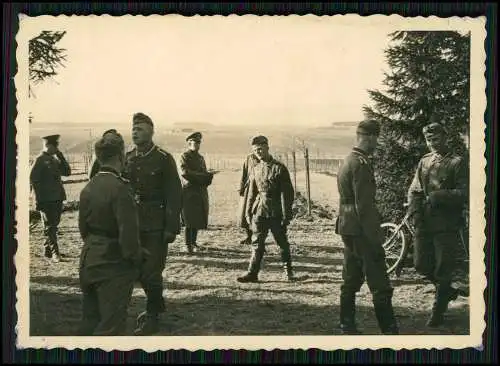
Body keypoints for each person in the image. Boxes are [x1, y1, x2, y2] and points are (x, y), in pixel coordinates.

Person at [335, 120, 399, 335]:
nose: (376, 143)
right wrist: (375, 236)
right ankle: (390, 332)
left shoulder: (347, 160)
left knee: (351, 279)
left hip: (348, 227)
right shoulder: (361, 164)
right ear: (369, 137)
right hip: (363, 230)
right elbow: (364, 205)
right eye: (376, 138)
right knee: (380, 284)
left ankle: (347, 325)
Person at [122, 112, 183, 336]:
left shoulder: (163, 158)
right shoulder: (127, 158)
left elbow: (174, 194)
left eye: (140, 128)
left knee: (152, 271)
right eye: (134, 128)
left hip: (156, 224)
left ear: (151, 131)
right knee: (134, 270)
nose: (135, 132)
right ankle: (155, 306)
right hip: (132, 224)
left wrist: (170, 227)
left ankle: (153, 316)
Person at [78, 131, 143, 336]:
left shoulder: (89, 187)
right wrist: (136, 261)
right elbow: (129, 235)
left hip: (89, 260)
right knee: (111, 328)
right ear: (120, 156)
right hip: (113, 265)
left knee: (90, 322)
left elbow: (83, 229)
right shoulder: (120, 189)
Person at [407, 122, 469, 327]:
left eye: (436, 138)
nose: (432, 143)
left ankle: (438, 311)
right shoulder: (424, 162)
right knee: (420, 264)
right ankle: (448, 291)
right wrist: (415, 213)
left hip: (446, 224)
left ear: (445, 137)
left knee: (443, 268)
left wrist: (438, 196)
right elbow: (414, 190)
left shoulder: (457, 162)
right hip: (424, 222)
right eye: (428, 139)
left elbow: (464, 193)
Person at [237, 135, 295, 283]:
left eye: (261, 149)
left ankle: (288, 272)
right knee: (257, 243)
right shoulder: (255, 169)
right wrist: (248, 213)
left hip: (276, 212)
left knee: (281, 242)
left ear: (267, 147)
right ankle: (252, 273)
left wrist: (286, 215)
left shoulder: (279, 168)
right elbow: (252, 192)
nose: (259, 152)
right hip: (260, 211)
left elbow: (287, 194)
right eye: (256, 150)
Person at [29, 134, 71, 262]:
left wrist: (60, 155)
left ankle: (47, 250)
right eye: (55, 145)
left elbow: (67, 172)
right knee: (50, 227)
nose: (57, 148)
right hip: (46, 199)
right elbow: (33, 180)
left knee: (53, 225)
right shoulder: (39, 160)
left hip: (57, 198)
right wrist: (37, 200)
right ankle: (55, 253)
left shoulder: (54, 159)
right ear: (47, 145)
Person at [179, 132, 214, 254]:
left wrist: (208, 176)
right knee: (189, 219)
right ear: (189, 143)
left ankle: (193, 243)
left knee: (198, 218)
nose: (197, 144)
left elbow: (203, 175)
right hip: (189, 192)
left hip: (200, 192)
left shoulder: (201, 158)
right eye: (195, 142)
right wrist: (203, 175)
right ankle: (187, 244)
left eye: (199, 142)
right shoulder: (185, 156)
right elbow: (185, 173)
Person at [237, 152, 260, 244]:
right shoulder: (249, 158)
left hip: (260, 190)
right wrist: (241, 187)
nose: (258, 151)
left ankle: (258, 238)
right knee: (245, 213)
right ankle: (249, 236)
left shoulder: (265, 158)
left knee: (258, 214)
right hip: (249, 189)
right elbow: (244, 172)